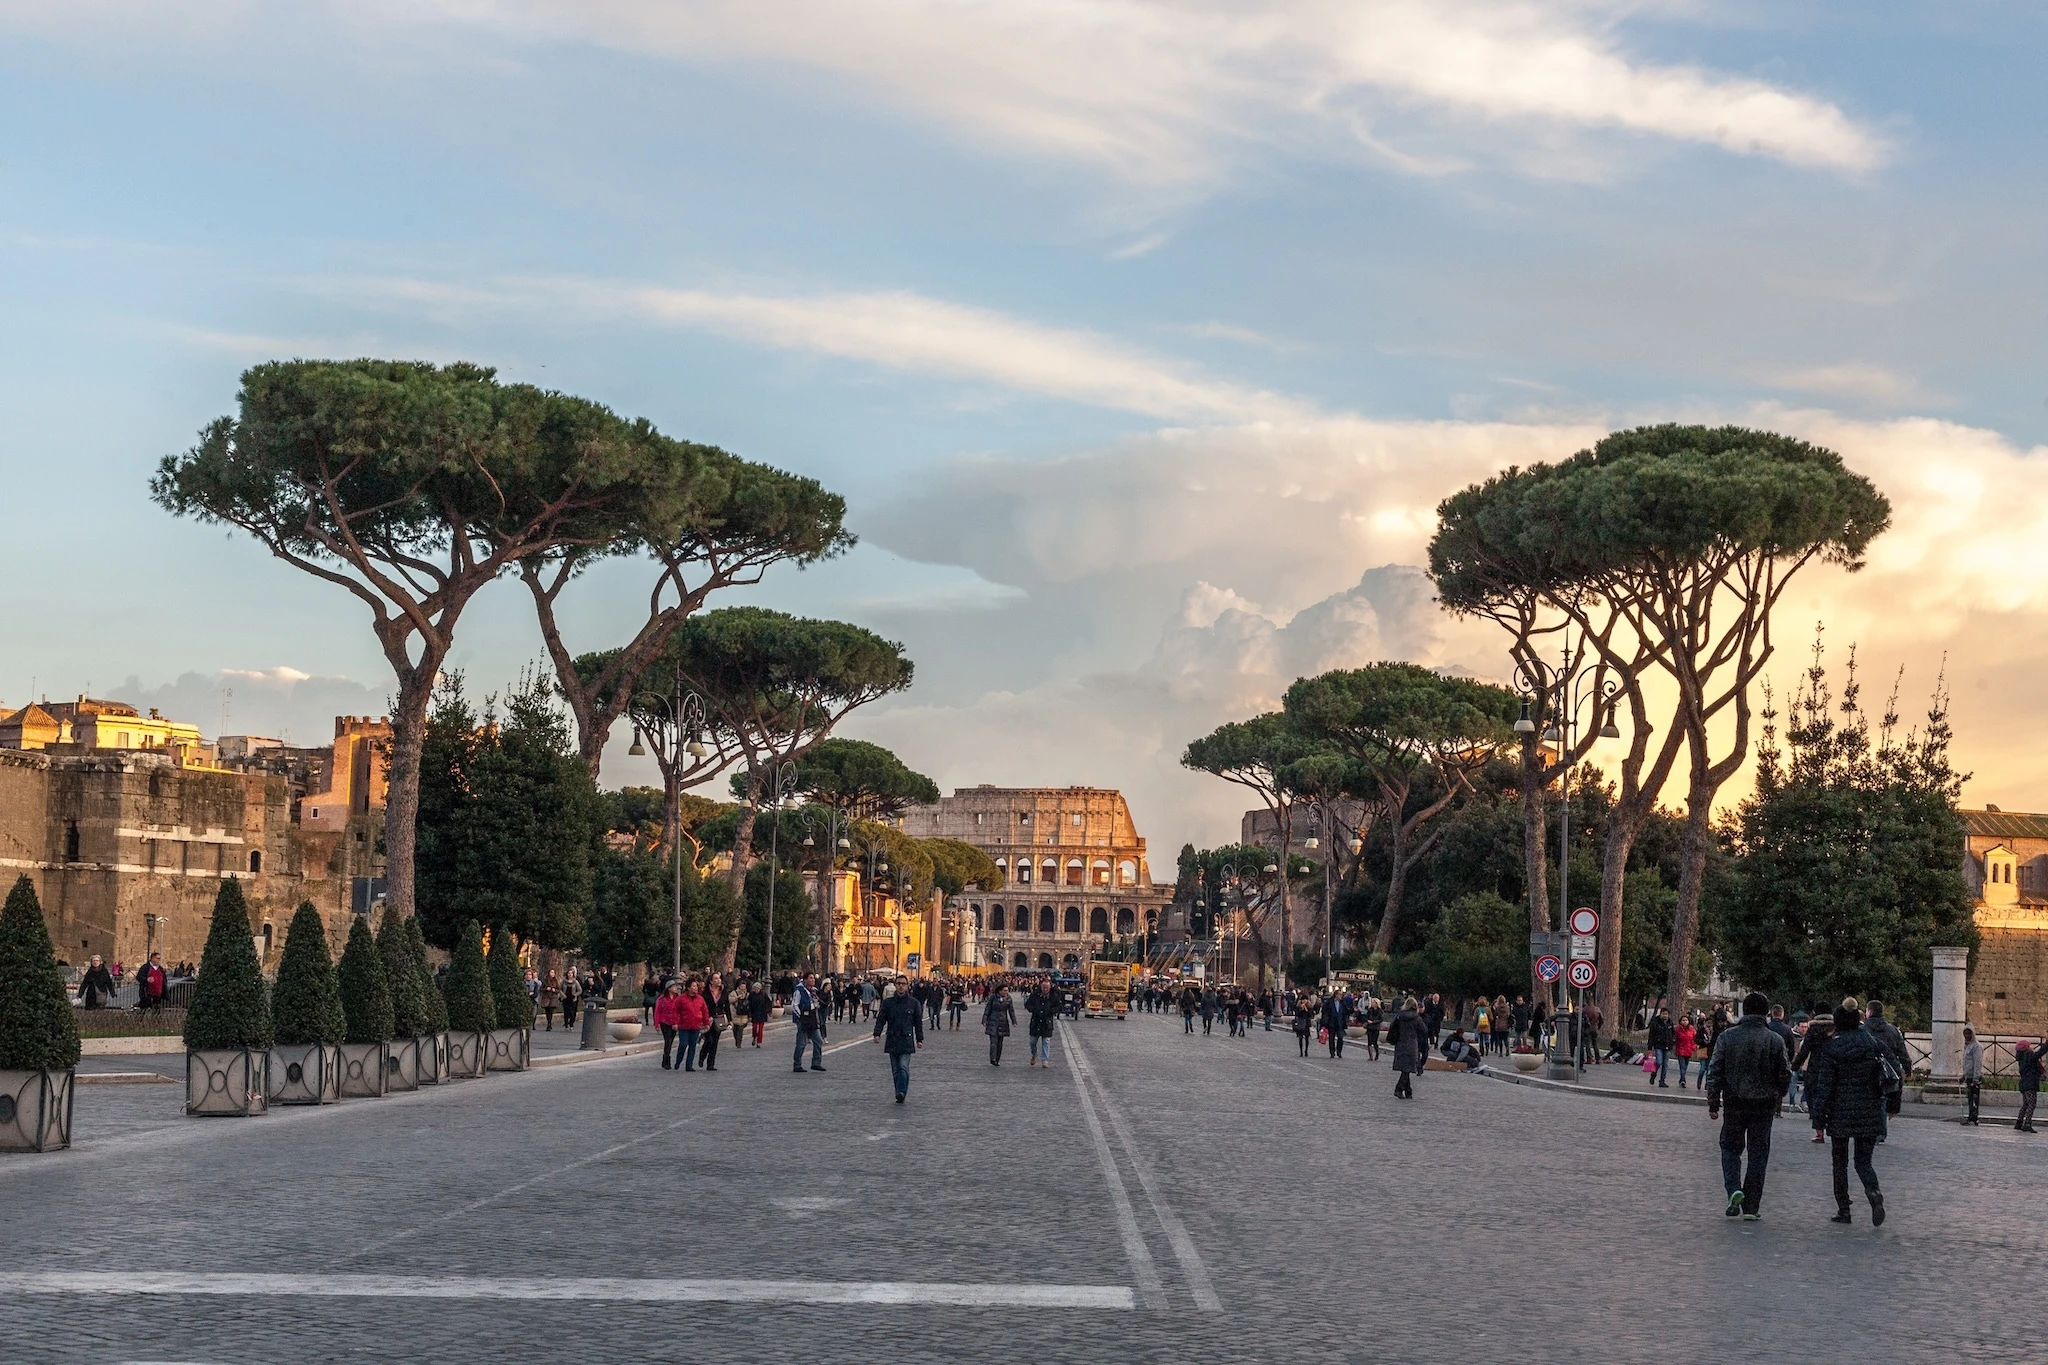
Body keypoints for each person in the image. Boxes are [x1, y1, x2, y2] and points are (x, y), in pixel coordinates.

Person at [1705, 991, 1793, 1221]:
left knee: (1730, 1148)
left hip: (1734, 1102)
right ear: (1765, 1012)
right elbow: (1785, 1073)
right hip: (1763, 1105)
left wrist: (1714, 1102)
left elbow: (1715, 1071)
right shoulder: (1775, 1039)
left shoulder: (1727, 1037)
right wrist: (1778, 1095)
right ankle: (1752, 1206)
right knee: (1758, 1154)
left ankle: (1733, 1188)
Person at [1808, 1000, 1888, 1225]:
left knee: (1839, 1163)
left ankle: (1844, 1209)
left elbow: (1825, 1086)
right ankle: (1873, 1192)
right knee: (1863, 1161)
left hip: (1839, 1112)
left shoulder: (1832, 1047)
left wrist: (1818, 1118)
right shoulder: (1872, 1043)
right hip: (1869, 1110)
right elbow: (1890, 1070)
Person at [872, 976, 925, 1103]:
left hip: (906, 1039)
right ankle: (899, 1092)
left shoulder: (913, 1003)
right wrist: (877, 1034)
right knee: (895, 1070)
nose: (901, 986)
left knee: (903, 1067)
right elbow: (881, 1019)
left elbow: (918, 1022)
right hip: (892, 1038)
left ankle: (901, 1091)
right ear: (895, 985)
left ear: (907, 986)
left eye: (904, 984)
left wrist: (919, 1039)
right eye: (899, 983)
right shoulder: (888, 1003)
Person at [1792, 1006, 1836, 1136]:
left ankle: (1819, 1130)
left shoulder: (1813, 1029)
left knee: (1814, 1096)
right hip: (1832, 1066)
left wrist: (1795, 1065)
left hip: (1815, 1067)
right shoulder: (1835, 1028)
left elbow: (1805, 1050)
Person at [1864, 1000, 1910, 1120]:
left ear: (1869, 1012)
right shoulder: (1893, 1030)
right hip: (1889, 1072)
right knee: (1884, 1100)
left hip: (1868, 1070)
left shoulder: (1863, 1030)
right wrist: (1907, 1069)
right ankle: (1881, 1127)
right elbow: (1902, 1053)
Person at [1388, 996, 1426, 1099]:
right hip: (1412, 1044)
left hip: (1400, 1043)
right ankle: (1399, 1088)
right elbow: (1424, 1030)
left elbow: (1392, 1028)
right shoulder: (1417, 1018)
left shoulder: (1399, 1016)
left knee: (1406, 1068)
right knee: (1407, 1069)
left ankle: (1408, 1091)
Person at [672, 978, 710, 1072]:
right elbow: (675, 1011)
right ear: (688, 988)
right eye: (693, 986)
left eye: (696, 986)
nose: (696, 988)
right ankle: (678, 1061)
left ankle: (689, 1065)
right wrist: (675, 1023)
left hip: (696, 1025)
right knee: (683, 1044)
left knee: (693, 1046)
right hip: (684, 1026)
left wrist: (707, 1023)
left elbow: (705, 1011)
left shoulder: (700, 999)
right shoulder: (681, 998)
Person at [791, 973, 827, 1073]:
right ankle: (797, 1064)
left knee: (818, 1040)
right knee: (801, 1043)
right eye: (810, 978)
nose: (813, 980)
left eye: (813, 978)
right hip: (803, 1018)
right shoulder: (799, 991)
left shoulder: (813, 991)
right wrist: (800, 1016)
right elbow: (795, 1005)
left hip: (812, 1018)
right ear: (805, 980)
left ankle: (816, 1063)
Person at [1025, 979, 1059, 1067]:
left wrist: (1051, 1011)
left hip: (1047, 1022)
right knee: (1032, 1041)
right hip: (1035, 1021)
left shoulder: (1053, 996)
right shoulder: (1035, 995)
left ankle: (1045, 1060)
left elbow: (1058, 1007)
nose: (1045, 989)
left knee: (1046, 1042)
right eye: (1044, 987)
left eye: (1047, 987)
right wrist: (1033, 1009)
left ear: (1050, 987)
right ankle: (1034, 1054)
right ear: (1041, 987)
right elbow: (1028, 1004)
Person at [654, 980, 687, 1070]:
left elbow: (681, 1011)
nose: (676, 988)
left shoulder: (678, 998)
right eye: (674, 987)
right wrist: (656, 1024)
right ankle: (666, 1060)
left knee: (670, 1041)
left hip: (674, 1022)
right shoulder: (662, 999)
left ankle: (665, 1059)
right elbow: (657, 1012)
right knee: (667, 1041)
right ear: (669, 988)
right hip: (664, 1021)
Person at [699, 977, 729, 1072]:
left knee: (715, 1042)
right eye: (716, 979)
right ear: (711, 981)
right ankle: (702, 1055)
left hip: (718, 1019)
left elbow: (727, 1005)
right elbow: (701, 1006)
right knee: (709, 1040)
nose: (719, 980)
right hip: (708, 1019)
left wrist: (730, 1019)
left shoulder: (724, 991)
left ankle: (710, 1064)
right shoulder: (705, 992)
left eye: (719, 978)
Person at [983, 982, 1017, 1065]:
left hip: (1003, 1022)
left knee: (1000, 1043)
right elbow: (988, 1008)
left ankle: (997, 1059)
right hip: (993, 1021)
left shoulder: (1008, 998)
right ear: (1000, 991)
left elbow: (1011, 1010)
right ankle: (993, 1058)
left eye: (1007, 990)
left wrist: (1014, 1021)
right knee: (993, 1042)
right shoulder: (993, 998)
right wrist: (984, 1019)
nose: (1006, 992)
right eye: (1005, 990)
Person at [2016, 1038, 2044, 1133]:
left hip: (2024, 1084)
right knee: (2032, 1104)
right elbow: (2039, 1053)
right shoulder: (2029, 1055)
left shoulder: (2022, 1058)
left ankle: (2019, 1122)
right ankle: (2027, 1123)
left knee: (2026, 1104)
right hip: (2030, 1084)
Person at [1960, 1027, 1984, 1126]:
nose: (1967, 1036)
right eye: (1965, 1034)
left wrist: (1975, 1078)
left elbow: (1977, 1063)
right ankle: (1971, 1116)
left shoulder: (1976, 1047)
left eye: (1969, 1034)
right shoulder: (1967, 1046)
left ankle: (1974, 1116)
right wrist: (1964, 1075)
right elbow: (1967, 1062)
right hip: (1969, 1075)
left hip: (1974, 1077)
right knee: (1970, 1097)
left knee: (1974, 1098)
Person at [1648, 1008, 1676, 1087]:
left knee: (1665, 1064)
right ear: (1660, 1014)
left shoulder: (1670, 1023)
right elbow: (1651, 1035)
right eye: (1663, 1014)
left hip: (1667, 1046)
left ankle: (1662, 1080)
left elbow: (1673, 1033)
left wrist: (1673, 1041)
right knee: (1659, 1061)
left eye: (1666, 1014)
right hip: (1658, 1045)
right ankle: (1654, 1074)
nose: (1665, 1016)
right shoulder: (1655, 1022)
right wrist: (1650, 1047)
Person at [1674, 1014, 1698, 1089]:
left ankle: (1681, 1078)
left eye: (1686, 1020)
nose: (1685, 1022)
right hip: (1680, 1050)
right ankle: (1683, 1080)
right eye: (1683, 1020)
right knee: (1682, 1066)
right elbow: (1675, 1039)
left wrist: (1693, 1047)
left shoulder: (1692, 1030)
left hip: (1688, 1050)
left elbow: (1695, 1039)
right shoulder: (1677, 1030)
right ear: (1680, 1021)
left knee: (1685, 1066)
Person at [1292, 992, 1315, 1058]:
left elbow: (1311, 1015)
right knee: (1300, 1038)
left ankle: (1306, 1050)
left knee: (1307, 1038)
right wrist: (1301, 1009)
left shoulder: (1310, 1007)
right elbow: (1297, 1014)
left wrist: (1306, 1009)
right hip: (1300, 1023)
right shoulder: (1298, 1006)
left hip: (1307, 1023)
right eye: (1303, 999)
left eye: (1305, 999)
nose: (1304, 1001)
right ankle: (1301, 1051)